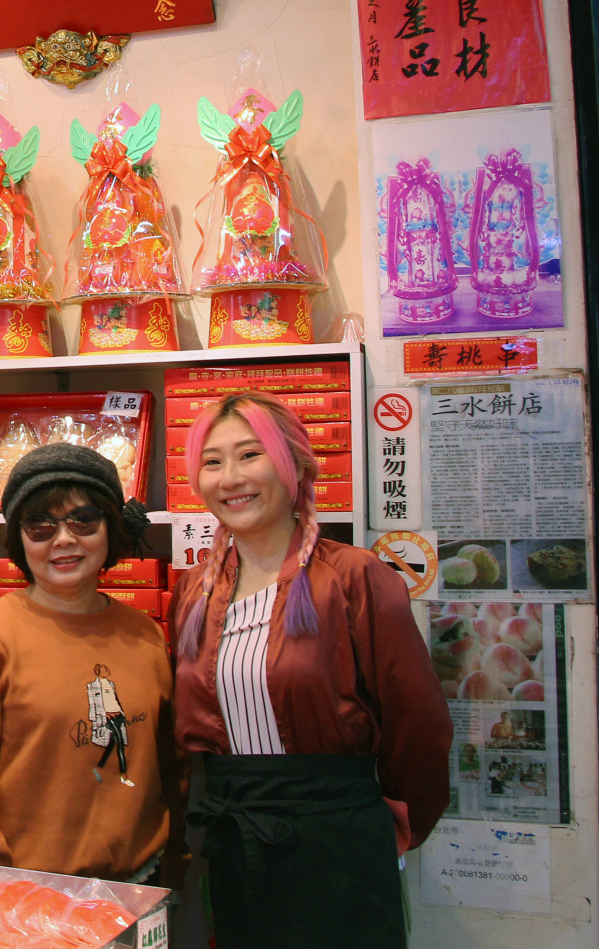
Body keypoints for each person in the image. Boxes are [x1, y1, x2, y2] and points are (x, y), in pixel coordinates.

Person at [171, 391, 451, 949]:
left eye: (250, 455)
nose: (231, 478)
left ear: (295, 465)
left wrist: (393, 828)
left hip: (337, 839)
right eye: (212, 461)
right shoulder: (194, 592)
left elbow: (417, 721)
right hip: (234, 838)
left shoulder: (354, 577)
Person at [0, 442, 187, 882]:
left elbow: (169, 767)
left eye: (83, 520)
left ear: (111, 527)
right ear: (19, 538)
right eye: (40, 525)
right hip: (28, 894)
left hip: (141, 883)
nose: (64, 539)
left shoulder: (144, 634)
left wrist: (173, 863)